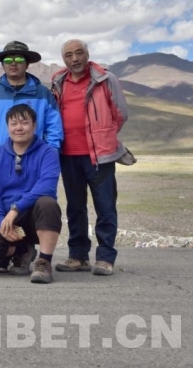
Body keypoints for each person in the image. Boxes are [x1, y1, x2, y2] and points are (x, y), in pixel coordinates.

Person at [51, 39, 130, 276]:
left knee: (105, 206)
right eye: (69, 55)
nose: (74, 59)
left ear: (87, 54)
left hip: (100, 156)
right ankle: (78, 256)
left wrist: (104, 135)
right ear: (64, 59)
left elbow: (120, 113)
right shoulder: (58, 81)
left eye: (79, 53)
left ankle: (105, 258)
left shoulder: (105, 79)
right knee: (75, 207)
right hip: (68, 154)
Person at [0, 104, 62, 284]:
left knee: (48, 203)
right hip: (6, 216)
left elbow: (46, 186)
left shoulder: (48, 153)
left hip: (33, 216)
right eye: (13, 124)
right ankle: (22, 250)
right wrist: (0, 220)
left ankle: (44, 263)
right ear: (7, 127)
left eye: (24, 123)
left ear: (34, 125)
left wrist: (16, 209)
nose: (19, 128)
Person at [0, 41, 63, 165]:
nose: (13, 63)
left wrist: (51, 154)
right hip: (0, 160)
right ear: (2, 64)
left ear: (27, 64)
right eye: (8, 60)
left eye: (19, 59)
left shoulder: (43, 93)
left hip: (36, 160)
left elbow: (54, 127)